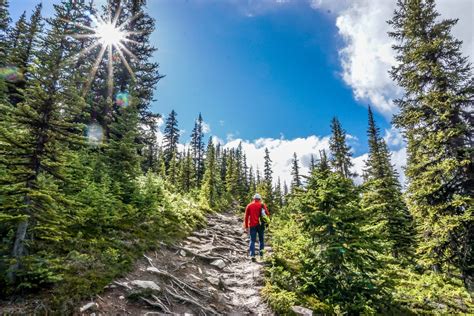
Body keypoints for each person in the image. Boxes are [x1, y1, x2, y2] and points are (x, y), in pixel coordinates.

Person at [243, 193, 270, 262]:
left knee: (252, 240)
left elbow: (246, 217)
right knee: (261, 240)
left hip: (252, 225)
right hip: (261, 225)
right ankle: (261, 256)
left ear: (253, 199)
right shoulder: (262, 205)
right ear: (259, 199)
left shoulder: (249, 205)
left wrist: (246, 226)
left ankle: (252, 255)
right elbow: (267, 214)